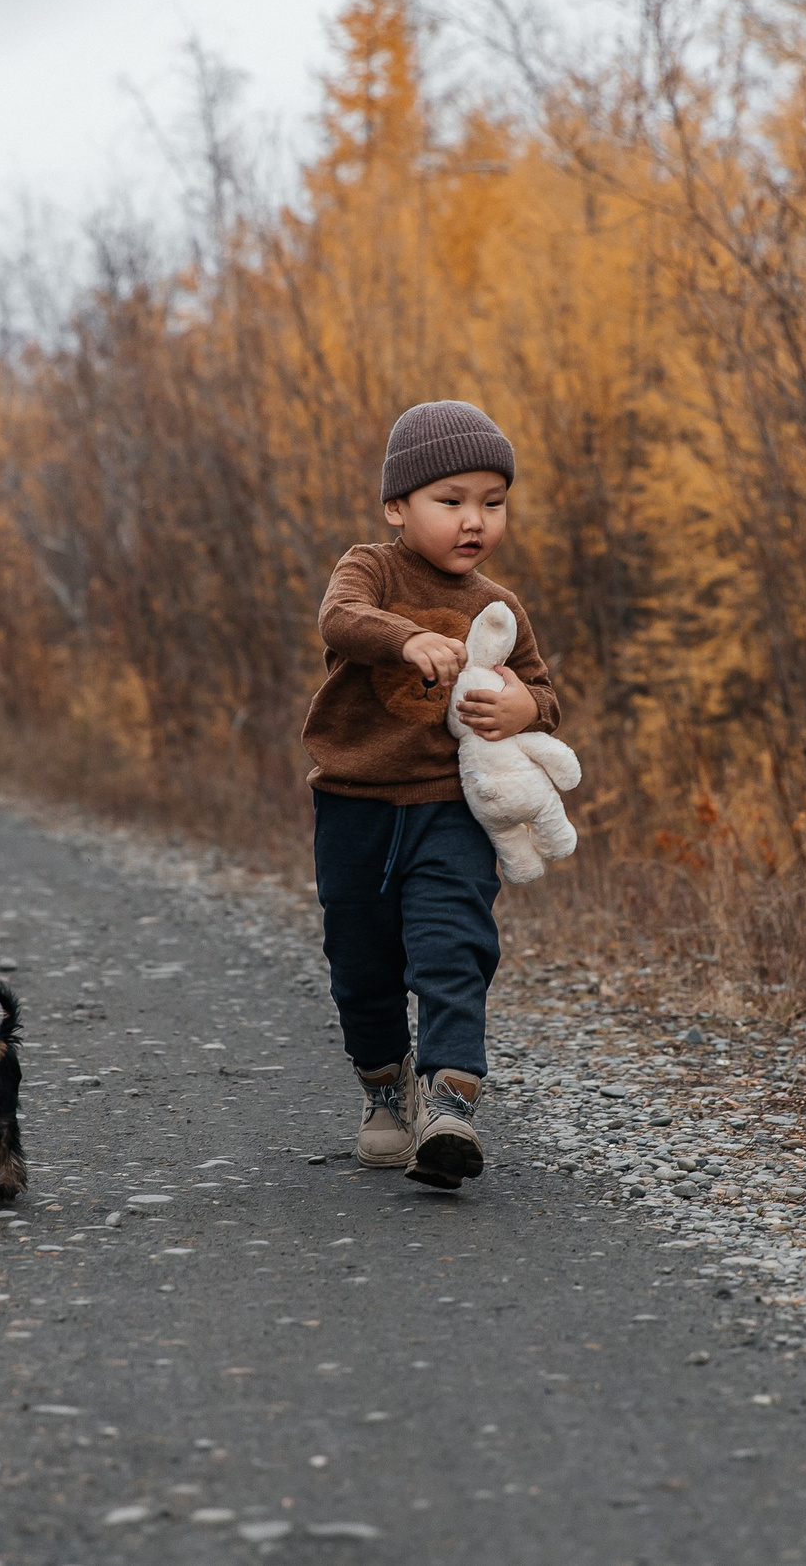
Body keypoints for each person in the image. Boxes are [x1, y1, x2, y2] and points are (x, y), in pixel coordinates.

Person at [299, 400, 561, 1189]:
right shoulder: (371, 568)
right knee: (362, 964)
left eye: (493, 502)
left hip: (452, 809)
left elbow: (546, 697)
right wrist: (406, 637)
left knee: (455, 948)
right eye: (451, 502)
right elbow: (340, 619)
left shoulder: (502, 607)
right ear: (397, 508)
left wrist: (524, 708)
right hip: (356, 804)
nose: (473, 520)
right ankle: (387, 1094)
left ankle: (450, 1105)